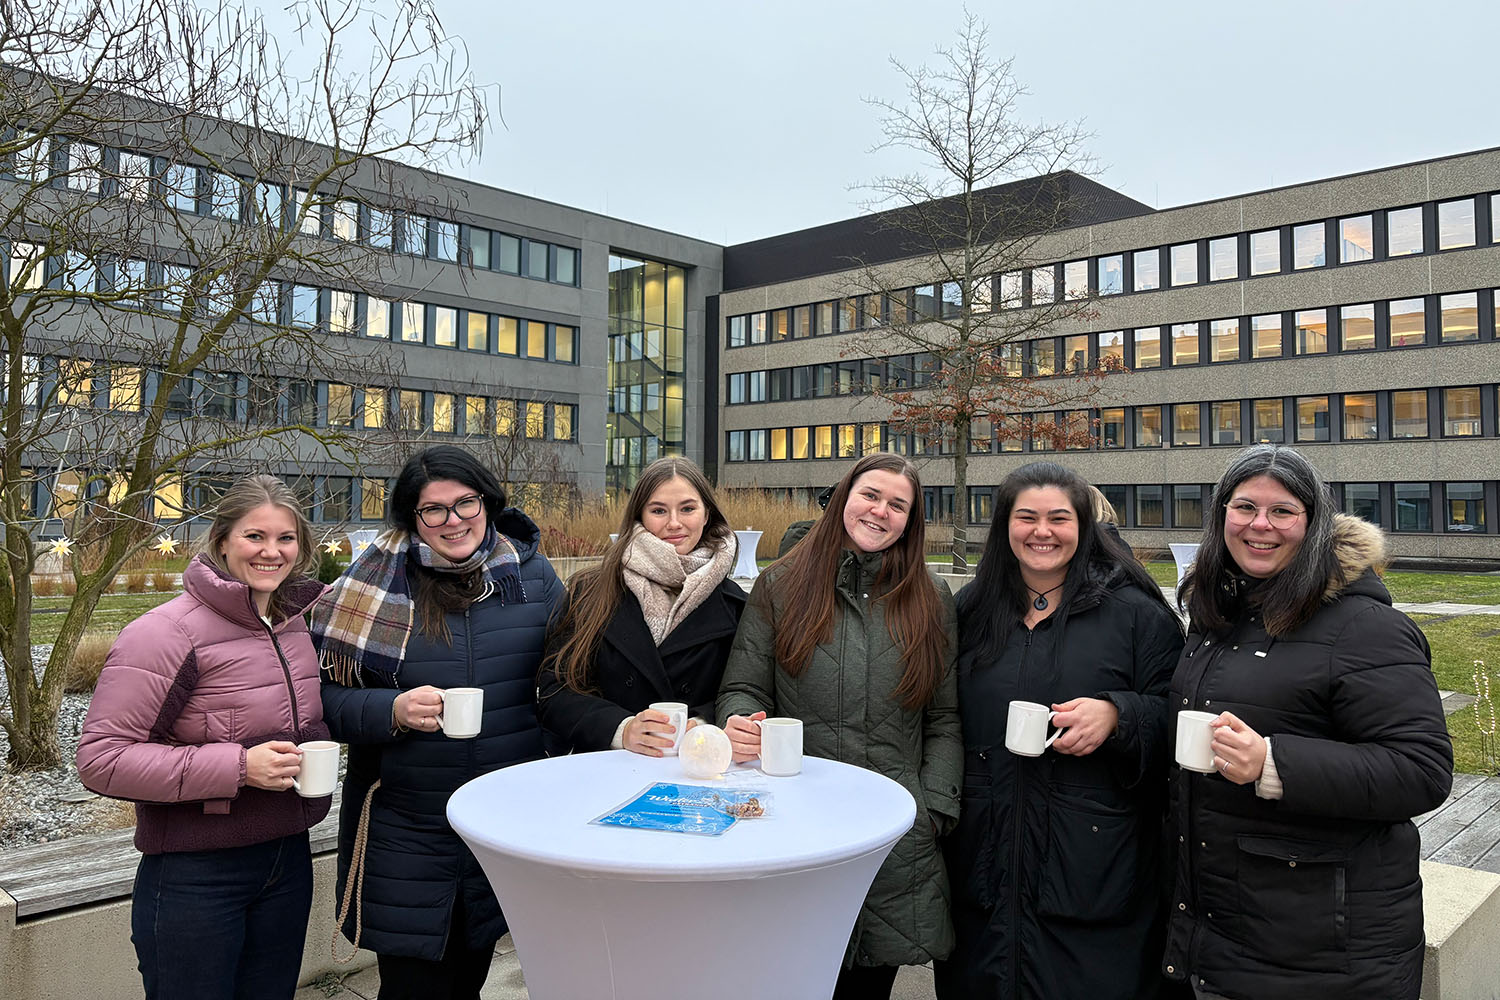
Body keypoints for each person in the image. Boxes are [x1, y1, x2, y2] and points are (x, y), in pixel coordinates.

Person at [1163, 445, 1452, 999]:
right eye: (1245, 507)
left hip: (1325, 956)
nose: (1260, 525)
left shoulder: (1365, 627)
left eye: (1283, 511)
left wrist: (1273, 763)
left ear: (1313, 522)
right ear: (1222, 514)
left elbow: (1422, 770)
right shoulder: (1219, 615)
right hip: (1228, 936)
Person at [313, 446, 563, 1000]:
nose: (454, 521)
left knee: (470, 977)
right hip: (404, 820)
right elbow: (320, 699)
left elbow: (567, 681)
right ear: (412, 518)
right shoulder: (372, 585)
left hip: (497, 821)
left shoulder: (531, 577)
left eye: (465, 503)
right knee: (412, 986)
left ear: (487, 502)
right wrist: (390, 710)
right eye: (434, 510)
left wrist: (534, 750)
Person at [934, 462, 1184, 1000]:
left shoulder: (1136, 615)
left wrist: (1119, 715)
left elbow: (1181, 716)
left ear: (1083, 527)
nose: (1041, 531)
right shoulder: (971, 611)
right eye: (1026, 517)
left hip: (1093, 871)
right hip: (984, 865)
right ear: (1004, 527)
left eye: (1058, 518)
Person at [718, 453, 961, 1000]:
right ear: (844, 498)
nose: (880, 512)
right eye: (870, 495)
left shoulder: (930, 598)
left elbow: (944, 717)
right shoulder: (780, 584)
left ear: (911, 520)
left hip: (894, 835)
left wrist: (934, 810)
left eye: (898, 505)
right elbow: (745, 688)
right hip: (793, 824)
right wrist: (737, 721)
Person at [76, 474, 328, 1000]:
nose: (271, 551)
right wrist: (239, 767)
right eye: (254, 536)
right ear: (220, 542)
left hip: (287, 858)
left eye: (285, 538)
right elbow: (102, 759)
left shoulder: (292, 624)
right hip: (196, 873)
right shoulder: (167, 632)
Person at [537, 457, 745, 755]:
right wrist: (621, 729)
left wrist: (703, 723)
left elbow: (747, 692)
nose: (674, 523)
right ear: (640, 517)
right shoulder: (590, 592)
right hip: (607, 772)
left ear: (706, 514)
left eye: (687, 508)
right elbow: (554, 690)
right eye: (659, 510)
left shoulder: (736, 604)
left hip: (697, 770)